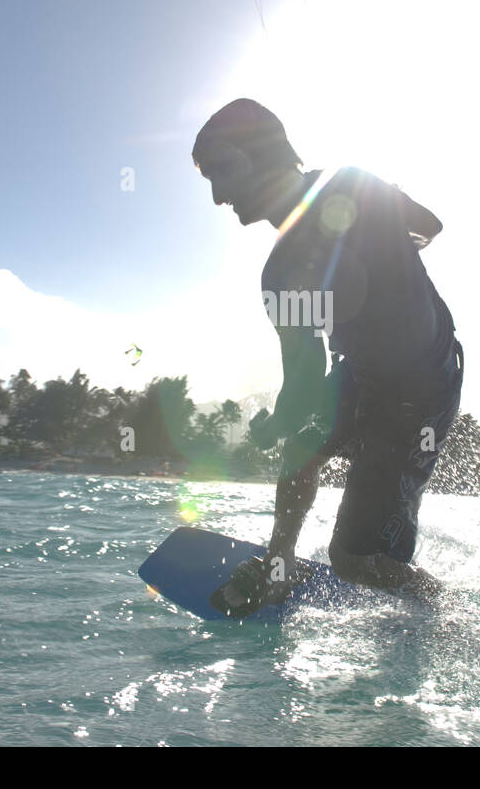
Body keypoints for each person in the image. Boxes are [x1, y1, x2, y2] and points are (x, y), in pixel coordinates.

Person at [191, 99, 464, 617]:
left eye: (223, 171)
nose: (218, 194)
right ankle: (280, 566)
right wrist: (283, 423)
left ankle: (447, 611)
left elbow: (427, 228)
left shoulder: (355, 188)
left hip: (421, 389)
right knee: (300, 449)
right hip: (360, 374)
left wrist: (388, 260)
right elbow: (304, 381)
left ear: (264, 153)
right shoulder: (283, 272)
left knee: (351, 561)